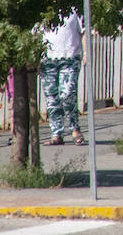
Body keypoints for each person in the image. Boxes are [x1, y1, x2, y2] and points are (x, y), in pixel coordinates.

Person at [40, 10, 85, 146]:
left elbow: (84, 31)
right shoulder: (42, 8)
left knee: (67, 94)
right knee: (51, 98)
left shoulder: (74, 8)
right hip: (47, 59)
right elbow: (35, 34)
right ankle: (56, 134)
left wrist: (86, 51)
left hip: (70, 57)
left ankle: (74, 128)